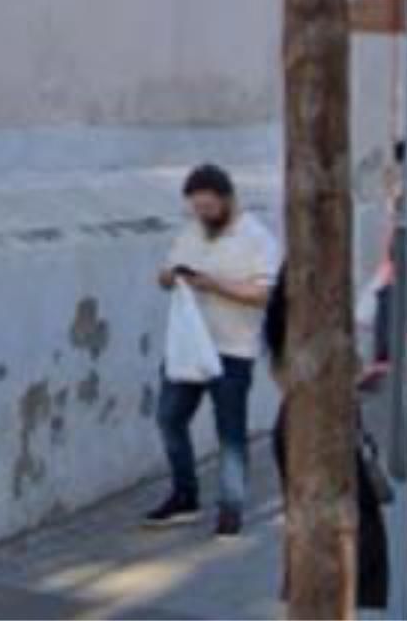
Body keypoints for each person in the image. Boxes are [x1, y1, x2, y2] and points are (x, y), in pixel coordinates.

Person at [143, 163, 279, 537]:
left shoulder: (258, 238)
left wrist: (212, 284)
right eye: (196, 208)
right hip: (188, 348)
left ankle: (231, 508)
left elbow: (263, 294)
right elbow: (163, 274)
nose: (202, 215)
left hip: (233, 351)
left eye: (208, 208)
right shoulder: (191, 232)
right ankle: (184, 496)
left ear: (228, 200)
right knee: (169, 418)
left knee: (230, 432)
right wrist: (170, 277)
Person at [264, 266, 391, 611]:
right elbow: (350, 372)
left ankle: (319, 602)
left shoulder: (283, 326)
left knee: (316, 528)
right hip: (321, 428)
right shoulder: (314, 326)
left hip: (300, 423)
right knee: (346, 528)